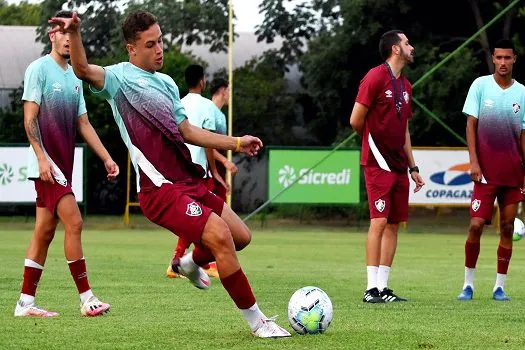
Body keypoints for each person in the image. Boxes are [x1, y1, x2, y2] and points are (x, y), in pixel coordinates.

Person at [49, 10, 290, 337]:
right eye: (150, 44)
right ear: (132, 48)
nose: (159, 49)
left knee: (241, 237)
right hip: (159, 191)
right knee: (219, 235)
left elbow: (187, 131)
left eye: (160, 41)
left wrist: (235, 142)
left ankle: (189, 263)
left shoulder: (166, 83)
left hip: (188, 182)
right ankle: (258, 323)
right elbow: (80, 69)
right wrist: (75, 33)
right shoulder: (117, 78)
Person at [15, 10, 119, 317]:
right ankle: (87, 298)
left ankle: (25, 303)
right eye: (62, 32)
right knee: (75, 222)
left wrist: (106, 157)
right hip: (49, 166)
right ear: (52, 35)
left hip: (61, 165)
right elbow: (29, 119)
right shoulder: (39, 69)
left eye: (72, 33)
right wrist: (41, 157)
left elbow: (83, 123)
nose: (67, 38)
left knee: (44, 232)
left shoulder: (75, 75)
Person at [349, 29, 425, 303]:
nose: (411, 47)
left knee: (393, 224)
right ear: (395, 49)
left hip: (399, 165)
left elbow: (403, 129)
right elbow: (356, 119)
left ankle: (383, 288)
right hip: (378, 162)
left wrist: (413, 167)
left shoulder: (406, 86)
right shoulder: (375, 77)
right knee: (379, 221)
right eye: (407, 42)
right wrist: (373, 143)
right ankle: (370, 289)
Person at [457, 39, 525, 301]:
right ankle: (468, 285)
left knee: (507, 227)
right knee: (475, 225)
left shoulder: (522, 93)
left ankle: (499, 287)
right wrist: (473, 161)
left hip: (512, 173)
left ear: (514, 59)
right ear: (493, 59)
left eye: (508, 58)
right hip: (485, 172)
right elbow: (470, 125)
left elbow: (522, 134)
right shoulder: (480, 85)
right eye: (499, 58)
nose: (503, 63)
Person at [165, 71, 236, 280]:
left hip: (181, 167)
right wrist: (217, 171)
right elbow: (207, 142)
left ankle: (181, 261)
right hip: (200, 170)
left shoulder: (178, 102)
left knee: (195, 215)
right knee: (209, 217)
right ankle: (199, 261)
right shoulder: (208, 107)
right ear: (202, 82)